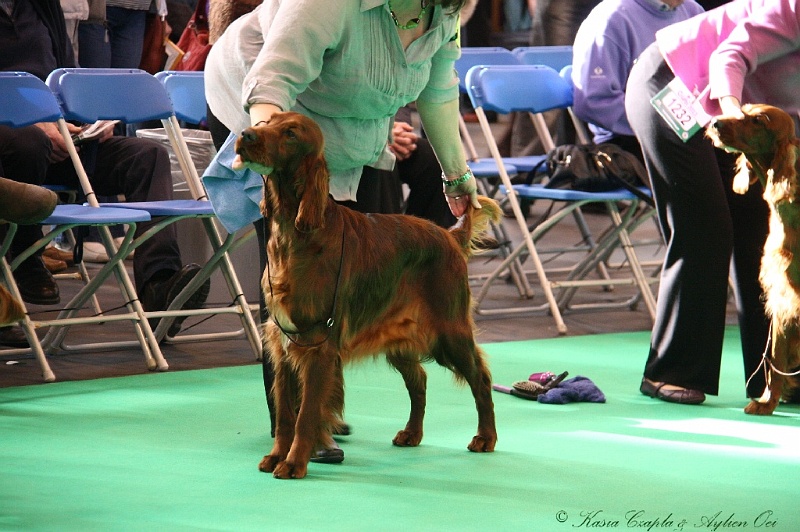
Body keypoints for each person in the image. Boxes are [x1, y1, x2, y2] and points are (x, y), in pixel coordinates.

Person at [204, 0, 479, 462]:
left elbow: (437, 91)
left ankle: (320, 409)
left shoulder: (445, 13)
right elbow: (272, 80)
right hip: (265, 108)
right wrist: (270, 150)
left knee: (337, 265)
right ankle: (292, 424)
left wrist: (456, 173)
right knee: (292, 259)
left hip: (349, 119)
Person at [0, 0, 210, 346]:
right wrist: (35, 122)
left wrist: (88, 120)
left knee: (149, 156)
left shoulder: (42, 7)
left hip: (61, 137)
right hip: (15, 143)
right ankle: (26, 255)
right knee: (29, 143)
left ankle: (160, 282)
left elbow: (64, 77)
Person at [624, 0, 800, 404]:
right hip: (673, 84)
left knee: (762, 233)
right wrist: (734, 122)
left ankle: (777, 377)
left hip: (736, 114)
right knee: (706, 224)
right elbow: (729, 55)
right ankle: (671, 370)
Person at [571, 0, 704, 157]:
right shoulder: (610, 17)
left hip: (693, 130)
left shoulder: (693, 11)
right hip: (630, 141)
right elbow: (592, 102)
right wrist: (661, 125)